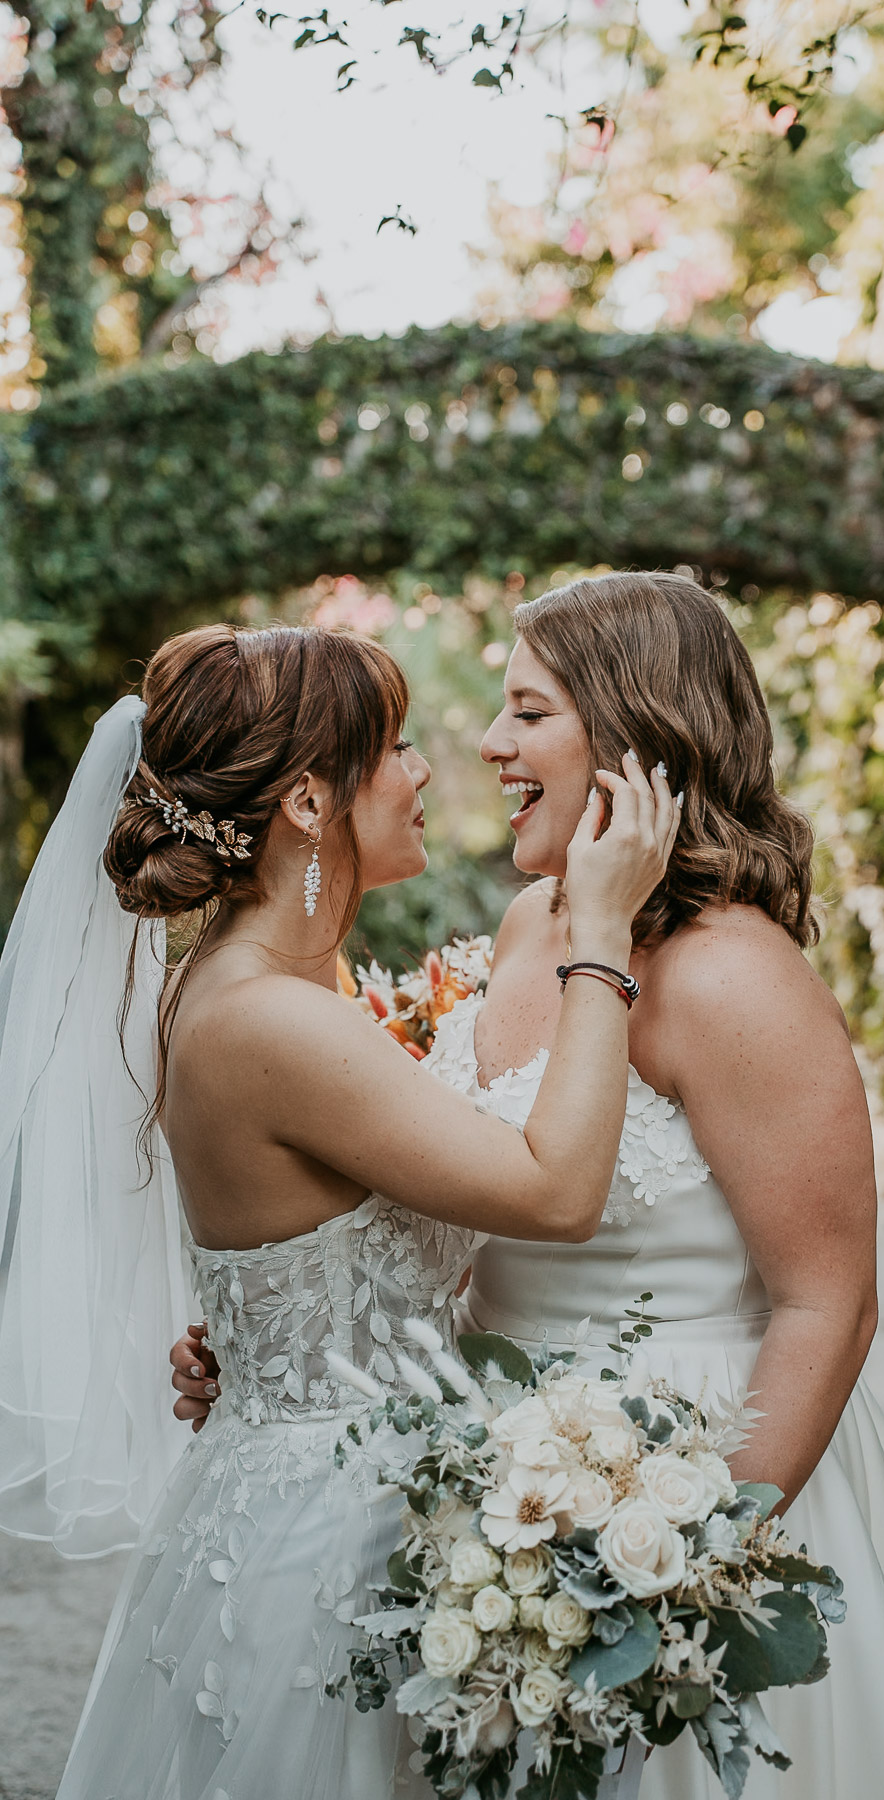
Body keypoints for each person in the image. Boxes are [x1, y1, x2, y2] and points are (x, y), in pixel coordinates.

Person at [172, 576, 884, 1800]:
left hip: (693, 1484)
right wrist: (306, 1337)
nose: (486, 746)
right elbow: (470, 1201)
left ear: (633, 735)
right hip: (492, 1504)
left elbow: (829, 1304)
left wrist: (688, 1562)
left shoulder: (732, 977)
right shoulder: (535, 927)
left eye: (527, 713)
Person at [0, 621, 679, 1800]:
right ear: (310, 803)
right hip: (330, 1541)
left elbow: (313, 1245)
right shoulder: (271, 1020)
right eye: (399, 749)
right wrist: (606, 933)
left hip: (315, 1478)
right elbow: (555, 1193)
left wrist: (262, 1343)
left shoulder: (252, 986)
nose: (427, 773)